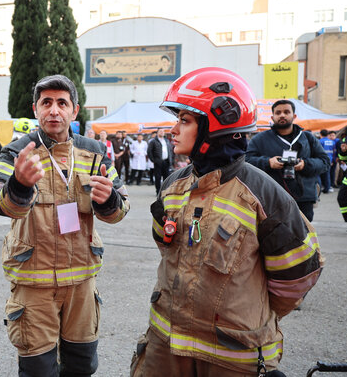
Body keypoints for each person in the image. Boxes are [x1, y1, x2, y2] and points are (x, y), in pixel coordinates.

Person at [130, 67, 323, 377]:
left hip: (231, 361)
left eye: (184, 120)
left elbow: (297, 277)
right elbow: (164, 246)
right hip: (165, 349)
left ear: (214, 127)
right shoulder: (172, 185)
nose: (173, 129)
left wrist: (245, 311)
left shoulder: (266, 197)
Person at [0, 74, 130, 377]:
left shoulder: (95, 153)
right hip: (33, 283)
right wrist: (19, 185)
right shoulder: (16, 152)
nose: (54, 110)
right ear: (35, 109)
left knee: (82, 366)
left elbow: (121, 209)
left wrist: (108, 201)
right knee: (38, 370)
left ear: (74, 111)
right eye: (46, 103)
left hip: (81, 283)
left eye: (62, 103)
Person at [246, 99, 330, 221]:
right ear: (272, 116)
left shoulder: (307, 138)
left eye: (286, 112)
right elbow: (246, 161)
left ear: (294, 116)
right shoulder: (259, 139)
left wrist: (305, 164)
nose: (282, 115)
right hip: (272, 197)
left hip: (303, 196)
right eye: (278, 112)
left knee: (303, 235)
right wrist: (268, 162)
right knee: (274, 235)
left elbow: (325, 162)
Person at [148, 128, 174, 194]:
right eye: (160, 131)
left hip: (166, 161)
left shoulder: (167, 140)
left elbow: (170, 150)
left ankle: (165, 191)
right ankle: (158, 191)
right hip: (158, 162)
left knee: (166, 177)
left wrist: (171, 159)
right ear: (157, 133)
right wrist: (153, 160)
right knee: (158, 177)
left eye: (163, 131)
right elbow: (149, 151)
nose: (162, 132)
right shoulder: (153, 141)